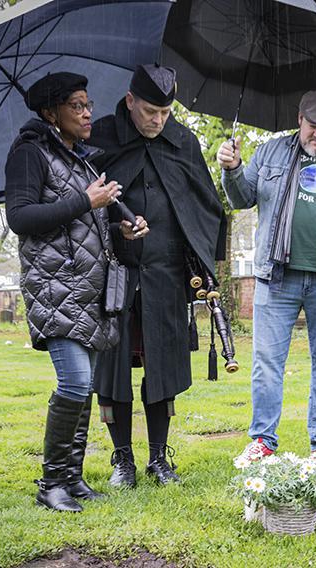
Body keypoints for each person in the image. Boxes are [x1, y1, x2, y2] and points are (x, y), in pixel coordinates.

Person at [5, 71, 150, 512]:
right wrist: (87, 202)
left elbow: (85, 223)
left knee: (82, 385)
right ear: (52, 112)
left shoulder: (79, 160)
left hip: (87, 287)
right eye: (77, 106)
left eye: (88, 105)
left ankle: (72, 479)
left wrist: (122, 225)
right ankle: (51, 484)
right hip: (54, 284)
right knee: (75, 381)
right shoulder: (29, 154)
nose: (88, 113)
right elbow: (22, 217)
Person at [216, 88, 316, 464]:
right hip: (277, 277)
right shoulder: (270, 152)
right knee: (267, 363)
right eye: (313, 126)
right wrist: (232, 170)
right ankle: (262, 441)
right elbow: (242, 198)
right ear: (299, 120)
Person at [87, 64, 226, 487]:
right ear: (130, 101)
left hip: (165, 276)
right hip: (113, 273)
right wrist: (114, 227)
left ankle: (159, 459)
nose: (157, 120)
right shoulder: (101, 137)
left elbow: (204, 206)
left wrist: (203, 266)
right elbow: (80, 208)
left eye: (165, 113)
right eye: (149, 111)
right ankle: (122, 460)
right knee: (111, 370)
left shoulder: (183, 140)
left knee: (163, 365)